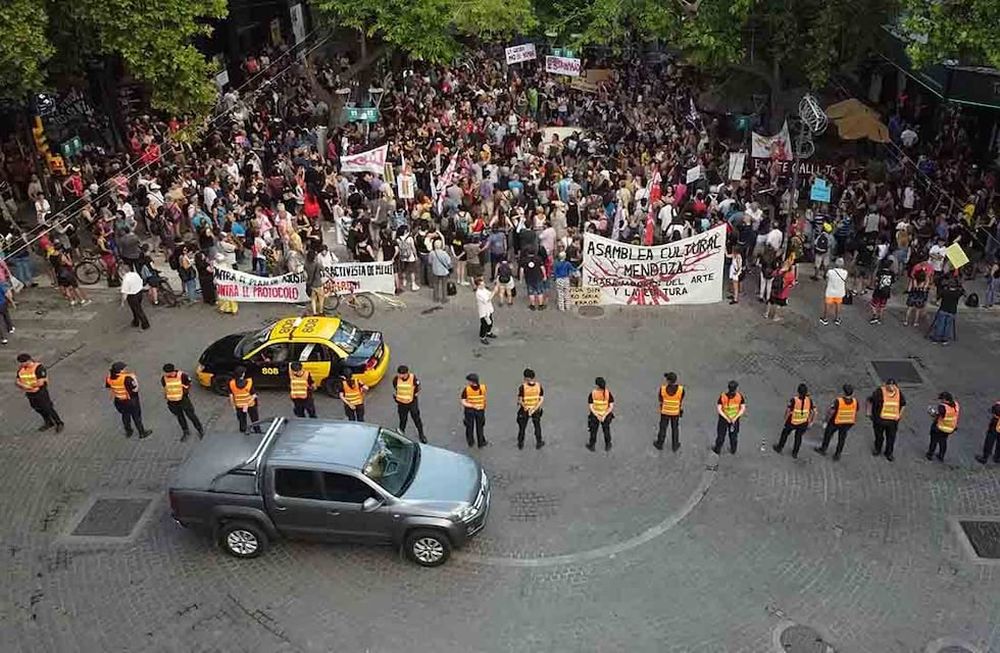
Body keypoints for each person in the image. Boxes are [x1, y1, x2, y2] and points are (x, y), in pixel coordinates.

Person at [15, 353, 64, 432]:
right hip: (30, 393)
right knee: (37, 408)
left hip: (40, 392)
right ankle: (48, 422)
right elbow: (17, 381)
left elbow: (40, 382)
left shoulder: (39, 368)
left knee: (47, 408)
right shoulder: (21, 369)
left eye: (22, 362)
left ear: (28, 361)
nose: (21, 364)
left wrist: (27, 386)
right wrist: (25, 386)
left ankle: (59, 423)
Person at [105, 361, 152, 439]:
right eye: (123, 368)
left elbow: (109, 387)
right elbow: (135, 389)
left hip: (119, 400)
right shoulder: (127, 378)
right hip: (130, 400)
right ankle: (142, 433)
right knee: (136, 417)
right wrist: (134, 379)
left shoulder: (109, 377)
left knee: (125, 416)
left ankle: (128, 431)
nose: (125, 369)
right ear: (120, 370)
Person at [160, 363, 204, 441]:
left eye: (167, 372)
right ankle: (185, 431)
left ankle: (200, 429)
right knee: (180, 417)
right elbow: (165, 388)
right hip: (172, 401)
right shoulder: (164, 378)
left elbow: (189, 383)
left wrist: (185, 392)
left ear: (171, 371)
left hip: (183, 400)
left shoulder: (182, 376)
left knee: (191, 415)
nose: (166, 374)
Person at [866, 378, 906, 461]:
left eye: (893, 385)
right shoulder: (879, 392)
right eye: (889, 385)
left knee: (891, 438)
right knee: (879, 436)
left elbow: (903, 404)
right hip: (879, 420)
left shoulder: (898, 393)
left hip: (892, 422)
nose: (891, 387)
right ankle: (877, 449)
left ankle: (889, 453)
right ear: (886, 385)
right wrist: (868, 412)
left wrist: (899, 415)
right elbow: (870, 400)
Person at [815, 384, 857, 460]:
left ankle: (823, 449)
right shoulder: (855, 401)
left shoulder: (838, 401)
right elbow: (855, 411)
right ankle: (837, 454)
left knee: (827, 435)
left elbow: (831, 412)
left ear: (844, 393)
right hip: (847, 423)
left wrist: (826, 421)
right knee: (842, 439)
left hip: (835, 422)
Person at [773, 384, 816, 458]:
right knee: (798, 437)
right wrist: (811, 422)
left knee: (785, 434)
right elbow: (814, 411)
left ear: (798, 391)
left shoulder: (794, 400)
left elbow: (788, 410)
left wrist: (785, 419)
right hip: (803, 422)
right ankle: (795, 453)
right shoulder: (809, 400)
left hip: (792, 421)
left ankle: (779, 447)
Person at [393, 365, 426, 443]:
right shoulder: (396, 379)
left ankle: (421, 435)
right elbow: (396, 387)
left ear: (406, 373)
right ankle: (401, 435)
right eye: (399, 374)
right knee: (402, 420)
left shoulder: (413, 378)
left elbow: (418, 387)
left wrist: (415, 394)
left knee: (416, 419)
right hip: (401, 403)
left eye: (401, 374)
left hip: (412, 403)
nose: (400, 376)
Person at [713, 380, 746, 455]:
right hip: (726, 420)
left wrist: (733, 418)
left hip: (731, 420)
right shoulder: (725, 396)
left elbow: (742, 408)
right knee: (724, 437)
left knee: (730, 437)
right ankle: (722, 450)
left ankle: (724, 450)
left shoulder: (738, 397)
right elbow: (719, 409)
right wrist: (730, 418)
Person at [929, 276, 965, 345]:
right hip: (952, 311)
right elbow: (963, 292)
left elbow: (937, 298)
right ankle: (945, 339)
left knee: (940, 324)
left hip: (943, 309)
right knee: (948, 325)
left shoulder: (945, 292)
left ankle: (936, 338)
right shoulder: (957, 293)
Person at [654, 371, 684, 451]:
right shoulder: (681, 389)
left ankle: (660, 444)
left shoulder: (663, 389)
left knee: (663, 428)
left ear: (668, 381)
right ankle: (675, 445)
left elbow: (660, 399)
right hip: (675, 412)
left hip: (665, 412)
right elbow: (681, 399)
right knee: (675, 429)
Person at [926, 391, 959, 462]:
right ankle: (941, 456)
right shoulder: (956, 404)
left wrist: (931, 411)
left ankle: (930, 455)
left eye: (941, 399)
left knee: (934, 441)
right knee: (943, 441)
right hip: (950, 428)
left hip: (940, 427)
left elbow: (937, 415)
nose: (941, 401)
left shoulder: (943, 407)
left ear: (945, 399)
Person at [516, 368, 545, 450]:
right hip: (536, 410)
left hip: (525, 410)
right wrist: (534, 409)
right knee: (537, 426)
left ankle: (520, 444)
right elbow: (541, 399)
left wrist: (526, 408)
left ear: (527, 378)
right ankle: (539, 442)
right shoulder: (539, 386)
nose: (524, 379)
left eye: (525, 377)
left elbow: (520, 400)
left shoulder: (522, 387)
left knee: (522, 427)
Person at [229, 366, 261, 434]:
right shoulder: (249, 383)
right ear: (243, 374)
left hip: (239, 405)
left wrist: (234, 407)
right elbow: (253, 395)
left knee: (242, 421)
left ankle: (243, 433)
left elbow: (231, 397)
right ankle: (257, 432)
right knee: (255, 420)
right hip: (250, 405)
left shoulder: (231, 383)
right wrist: (248, 402)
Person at [586, 377, 614, 451]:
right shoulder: (608, 393)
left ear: (597, 385)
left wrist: (597, 415)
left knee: (593, 431)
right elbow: (611, 406)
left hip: (595, 416)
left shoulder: (593, 393)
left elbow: (591, 407)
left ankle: (592, 446)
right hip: (606, 415)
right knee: (606, 430)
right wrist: (604, 415)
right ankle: (608, 445)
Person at [460, 373, 488, 448]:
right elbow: (484, 397)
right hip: (480, 410)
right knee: (480, 427)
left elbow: (463, 401)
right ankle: (481, 442)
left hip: (470, 411)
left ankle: (470, 442)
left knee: (469, 426)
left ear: (472, 382)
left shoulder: (467, 390)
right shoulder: (483, 387)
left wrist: (472, 405)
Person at [869, 258, 894, 325]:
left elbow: (876, 280)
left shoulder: (880, 272)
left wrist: (874, 286)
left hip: (878, 290)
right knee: (882, 305)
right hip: (886, 291)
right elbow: (892, 282)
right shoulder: (892, 273)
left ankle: (874, 315)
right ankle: (879, 318)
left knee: (873, 304)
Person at [474, 277, 499, 345]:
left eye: (483, 284)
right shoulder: (478, 293)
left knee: (490, 322)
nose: (483, 285)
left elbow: (489, 293)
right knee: (484, 324)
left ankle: (488, 332)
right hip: (484, 312)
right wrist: (494, 291)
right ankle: (482, 337)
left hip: (488, 309)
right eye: (481, 285)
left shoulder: (483, 289)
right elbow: (488, 299)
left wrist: (494, 291)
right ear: (478, 286)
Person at [429, 239, 453, 303]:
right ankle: (444, 298)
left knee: (435, 285)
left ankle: (436, 298)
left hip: (435, 271)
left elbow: (430, 262)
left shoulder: (432, 253)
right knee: (444, 285)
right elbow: (448, 262)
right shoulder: (444, 253)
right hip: (444, 271)